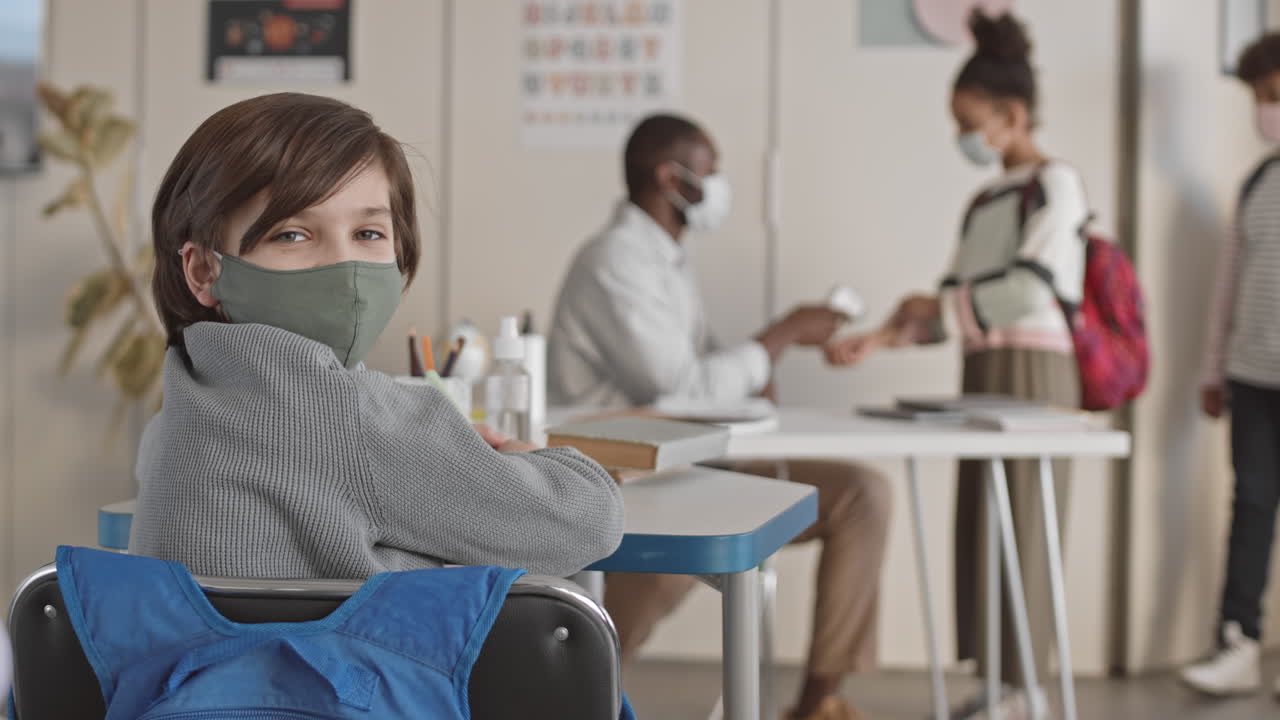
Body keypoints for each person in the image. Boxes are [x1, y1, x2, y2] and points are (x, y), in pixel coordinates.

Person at [130, 93, 625, 580]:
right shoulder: (362, 418)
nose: (343, 268)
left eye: (369, 234)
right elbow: (588, 520)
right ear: (202, 270)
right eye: (292, 235)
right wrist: (521, 458)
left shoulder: (176, 411)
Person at [548, 113, 892, 720]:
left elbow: (704, 371)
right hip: (634, 474)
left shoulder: (670, 261)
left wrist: (760, 373)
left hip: (694, 460)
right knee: (686, 558)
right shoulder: (615, 261)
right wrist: (782, 335)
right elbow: (680, 386)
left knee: (862, 493)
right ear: (669, 178)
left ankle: (818, 703)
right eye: (712, 173)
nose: (720, 187)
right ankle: (563, 689)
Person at [827, 11, 1087, 718]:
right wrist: (883, 337)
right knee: (984, 523)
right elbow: (953, 303)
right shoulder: (984, 198)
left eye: (970, 123)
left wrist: (941, 310)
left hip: (1037, 377)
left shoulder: (1056, 186)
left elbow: (1028, 289)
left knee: (1028, 523)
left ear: (1012, 114)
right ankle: (1000, 684)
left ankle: (1029, 690)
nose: (963, 139)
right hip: (983, 373)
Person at [1182, 32, 1280, 698]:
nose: (1264, 110)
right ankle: (1237, 640)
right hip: (1251, 377)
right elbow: (1229, 282)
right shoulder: (1257, 183)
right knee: (1250, 506)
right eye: (1258, 98)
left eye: (1273, 95)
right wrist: (1212, 370)